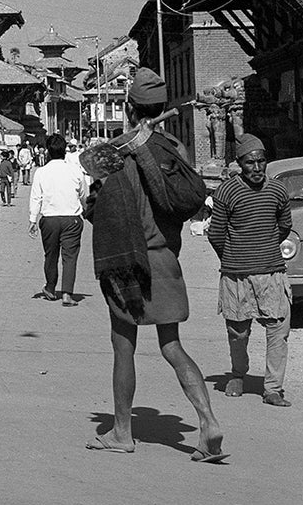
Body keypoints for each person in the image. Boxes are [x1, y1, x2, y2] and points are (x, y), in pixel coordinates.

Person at [81, 68, 224, 460]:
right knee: (172, 345)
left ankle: (122, 433)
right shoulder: (171, 150)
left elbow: (96, 211)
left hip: (128, 265)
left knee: (123, 348)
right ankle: (208, 421)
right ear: (161, 108)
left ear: (128, 107)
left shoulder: (116, 155)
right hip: (165, 260)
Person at [208, 132, 295, 406]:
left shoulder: (278, 191)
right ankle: (237, 373)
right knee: (238, 331)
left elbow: (284, 225)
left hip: (272, 273)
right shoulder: (226, 192)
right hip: (237, 276)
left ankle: (272, 388)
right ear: (239, 163)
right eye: (250, 163)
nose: (256, 168)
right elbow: (216, 234)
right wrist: (236, 257)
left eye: (261, 162)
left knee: (278, 329)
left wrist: (264, 250)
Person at [29, 132, 87, 304]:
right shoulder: (75, 171)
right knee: (70, 257)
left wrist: (32, 220)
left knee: (51, 255)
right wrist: (85, 208)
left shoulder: (41, 172)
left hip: (50, 219)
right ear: (65, 151)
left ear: (48, 151)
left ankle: (50, 287)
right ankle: (67, 294)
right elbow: (83, 194)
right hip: (72, 219)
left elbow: (36, 197)